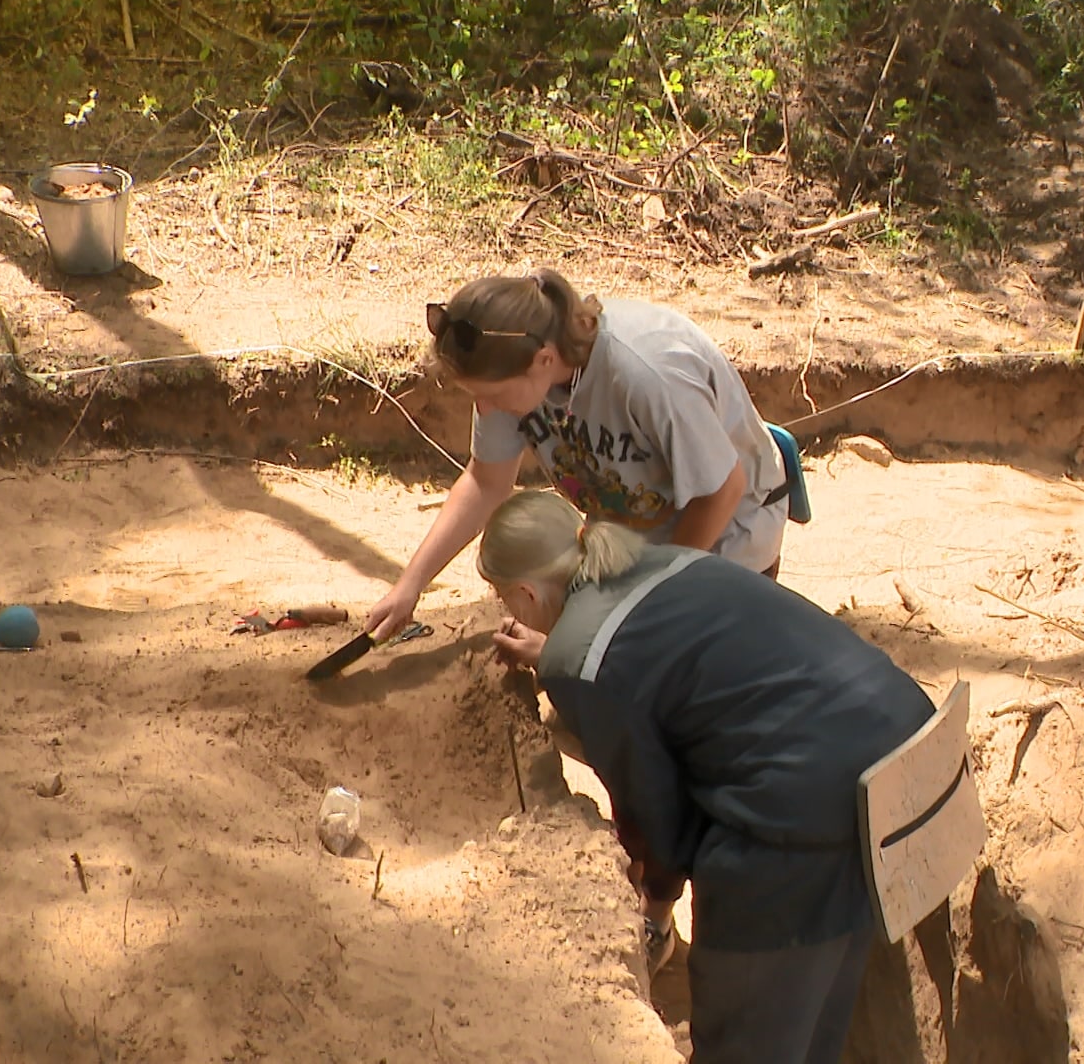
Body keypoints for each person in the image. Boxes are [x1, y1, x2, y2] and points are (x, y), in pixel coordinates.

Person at [476, 490, 937, 1064]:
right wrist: (561, 654)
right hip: (899, 749)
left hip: (801, 811)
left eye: (505, 598)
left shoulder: (581, 657)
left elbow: (652, 809)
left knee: (743, 1030)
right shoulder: (663, 559)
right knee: (814, 1013)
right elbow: (656, 651)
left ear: (525, 592)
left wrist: (657, 897)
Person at [365, 269, 788, 642]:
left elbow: (722, 490)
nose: (486, 410)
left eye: (491, 396)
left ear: (544, 359)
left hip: (729, 534)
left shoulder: (646, 373)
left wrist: (653, 595)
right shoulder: (512, 373)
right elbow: (486, 482)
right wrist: (411, 585)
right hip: (633, 541)